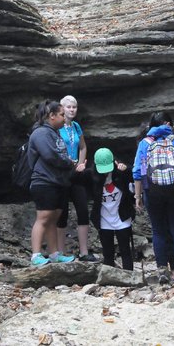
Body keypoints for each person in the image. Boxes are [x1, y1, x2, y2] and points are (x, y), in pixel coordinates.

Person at [134, 111, 174, 285]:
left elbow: (137, 172)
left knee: (158, 230)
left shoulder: (145, 143)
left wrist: (137, 196)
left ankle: (162, 269)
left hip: (152, 192)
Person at [28, 100, 77, 266]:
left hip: (58, 182)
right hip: (44, 182)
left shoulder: (54, 133)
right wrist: (69, 162)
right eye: (62, 115)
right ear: (52, 116)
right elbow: (50, 155)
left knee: (53, 218)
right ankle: (35, 255)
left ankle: (55, 253)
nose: (65, 118)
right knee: (43, 217)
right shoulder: (41, 133)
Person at [56, 95, 97, 262]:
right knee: (62, 213)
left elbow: (83, 146)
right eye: (69, 107)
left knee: (82, 210)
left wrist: (80, 164)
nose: (72, 110)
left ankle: (84, 251)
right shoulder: (57, 127)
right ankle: (60, 252)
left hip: (76, 174)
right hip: (62, 173)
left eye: (74, 107)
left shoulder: (76, 126)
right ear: (62, 108)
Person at [90, 147, 134, 270]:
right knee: (107, 253)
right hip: (104, 220)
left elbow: (136, 174)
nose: (104, 172)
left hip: (122, 217)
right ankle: (108, 277)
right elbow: (74, 180)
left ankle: (129, 277)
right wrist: (77, 171)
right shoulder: (92, 176)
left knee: (125, 250)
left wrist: (127, 169)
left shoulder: (121, 173)